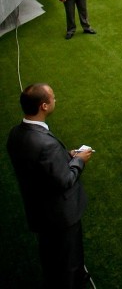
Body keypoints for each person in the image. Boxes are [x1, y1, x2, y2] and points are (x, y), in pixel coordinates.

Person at [7, 83, 94, 288]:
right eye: (53, 98)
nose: (56, 100)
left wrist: (66, 156)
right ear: (44, 106)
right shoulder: (45, 144)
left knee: (51, 256)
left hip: (39, 211)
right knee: (69, 262)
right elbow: (65, 179)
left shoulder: (16, 134)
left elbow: (39, 167)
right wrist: (79, 160)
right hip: (61, 215)